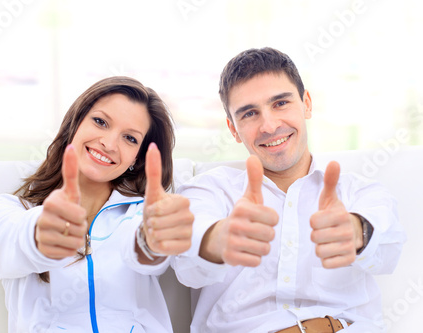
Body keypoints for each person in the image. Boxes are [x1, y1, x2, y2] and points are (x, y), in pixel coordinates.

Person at [172, 48, 406, 332]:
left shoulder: (360, 192)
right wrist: (220, 239)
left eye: (280, 103)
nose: (269, 126)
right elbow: (187, 265)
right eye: (249, 113)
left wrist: (356, 231)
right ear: (233, 129)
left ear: (306, 103)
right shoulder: (208, 190)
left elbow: (388, 246)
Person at [0, 76, 194, 333]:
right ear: (75, 123)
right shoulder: (7, 210)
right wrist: (42, 233)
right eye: (100, 122)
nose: (109, 143)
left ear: (136, 159)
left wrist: (152, 239)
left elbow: (145, 250)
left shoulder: (141, 214)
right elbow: (14, 240)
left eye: (130, 138)